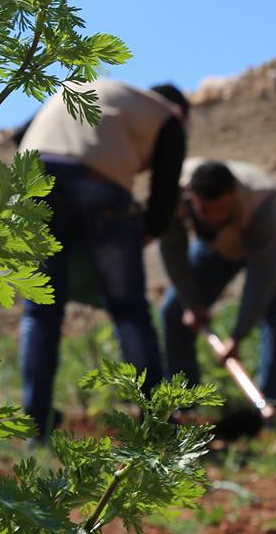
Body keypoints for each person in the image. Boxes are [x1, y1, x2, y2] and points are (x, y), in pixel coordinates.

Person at [17, 78, 189, 440]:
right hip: (99, 187)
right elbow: (165, 192)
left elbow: (22, 134)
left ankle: (37, 424)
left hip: (33, 177)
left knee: (40, 311)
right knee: (128, 310)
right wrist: (145, 231)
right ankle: (157, 422)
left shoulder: (101, 91)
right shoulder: (169, 118)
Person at [159, 158, 276, 432]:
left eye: (221, 209)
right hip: (216, 249)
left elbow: (262, 279)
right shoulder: (173, 194)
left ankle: (271, 413)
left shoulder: (262, 203)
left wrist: (237, 337)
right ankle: (185, 410)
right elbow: (173, 250)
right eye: (205, 210)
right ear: (191, 197)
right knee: (173, 313)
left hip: (268, 243)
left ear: (232, 195)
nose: (214, 217)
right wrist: (193, 302)